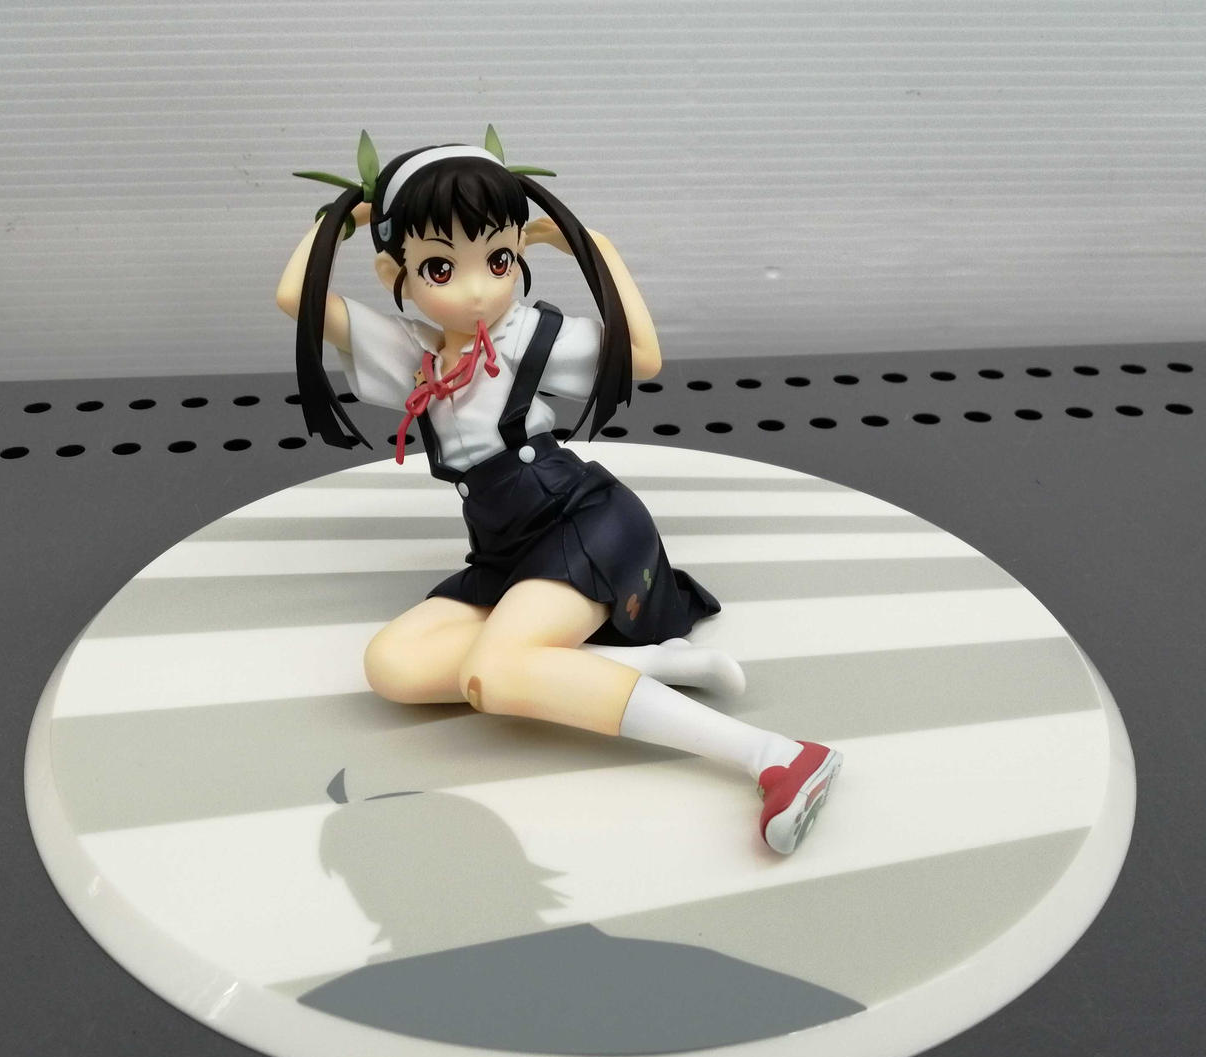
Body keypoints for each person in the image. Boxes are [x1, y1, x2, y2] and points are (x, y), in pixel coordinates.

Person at [275, 131, 840, 853]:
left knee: (493, 671)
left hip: (582, 519)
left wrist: (595, 250)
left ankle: (777, 756)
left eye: (498, 261)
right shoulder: (414, 349)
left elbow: (643, 357)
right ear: (398, 272)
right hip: (504, 546)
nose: (478, 289)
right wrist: (343, 218)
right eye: (441, 267)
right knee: (393, 664)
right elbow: (296, 297)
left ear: (519, 254)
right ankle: (648, 665)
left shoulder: (527, 336)